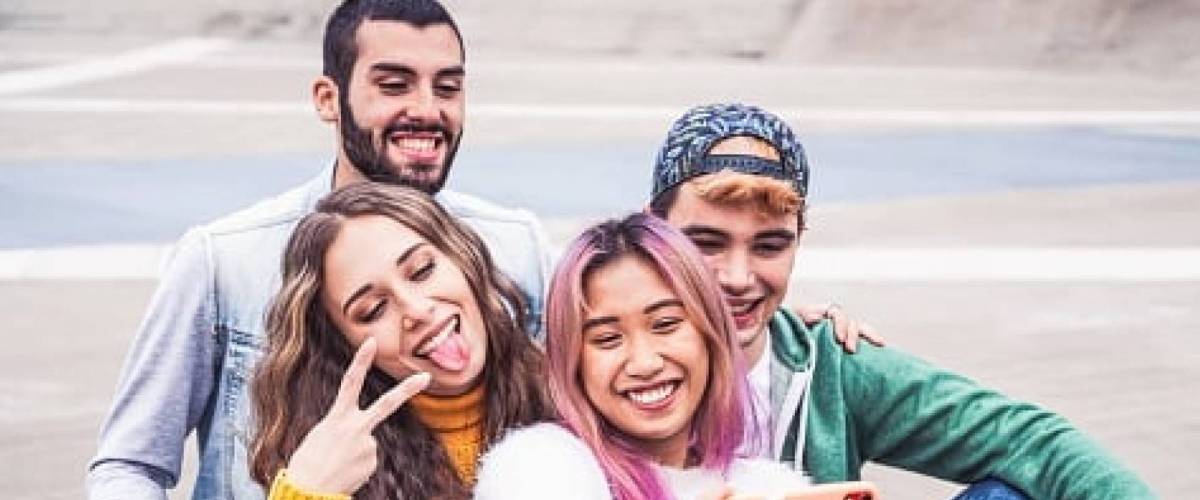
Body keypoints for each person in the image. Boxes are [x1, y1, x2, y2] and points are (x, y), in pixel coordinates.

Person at [86, 2, 551, 499]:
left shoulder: (515, 245)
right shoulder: (224, 260)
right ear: (329, 99)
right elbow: (129, 466)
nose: (426, 109)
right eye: (394, 85)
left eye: (448, 87)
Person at [645, 102, 1155, 499]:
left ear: (799, 240)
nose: (738, 278)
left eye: (770, 246)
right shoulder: (607, 356)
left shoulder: (828, 364)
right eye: (706, 243)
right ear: (652, 227)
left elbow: (1034, 443)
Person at [474, 214, 813, 499]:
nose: (645, 363)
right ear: (573, 363)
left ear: (711, 332)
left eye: (665, 324)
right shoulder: (539, 465)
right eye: (607, 339)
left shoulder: (769, 487)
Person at [250, 182, 550, 499]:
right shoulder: (333, 463)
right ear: (343, 346)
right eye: (373, 310)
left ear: (464, 258)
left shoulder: (566, 396)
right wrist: (308, 492)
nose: (416, 311)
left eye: (422, 271)